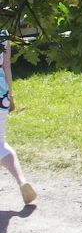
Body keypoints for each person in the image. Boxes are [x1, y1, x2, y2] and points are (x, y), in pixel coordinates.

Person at [0, 30, 36, 206]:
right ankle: (21, 181)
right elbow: (6, 67)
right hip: (1, 94)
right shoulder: (3, 31)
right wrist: (10, 96)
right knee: (0, 143)